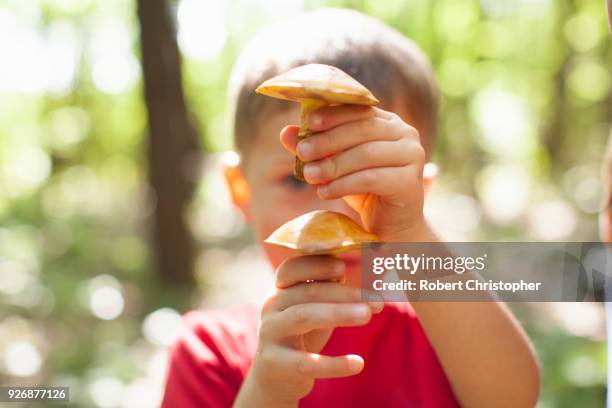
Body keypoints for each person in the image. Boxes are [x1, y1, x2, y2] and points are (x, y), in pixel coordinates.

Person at [160, 9, 540, 407]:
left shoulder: (445, 328)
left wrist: (409, 233)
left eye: (370, 178)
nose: (338, 214)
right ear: (240, 190)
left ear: (419, 192)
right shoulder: (210, 353)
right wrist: (268, 391)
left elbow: (514, 398)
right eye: (297, 179)